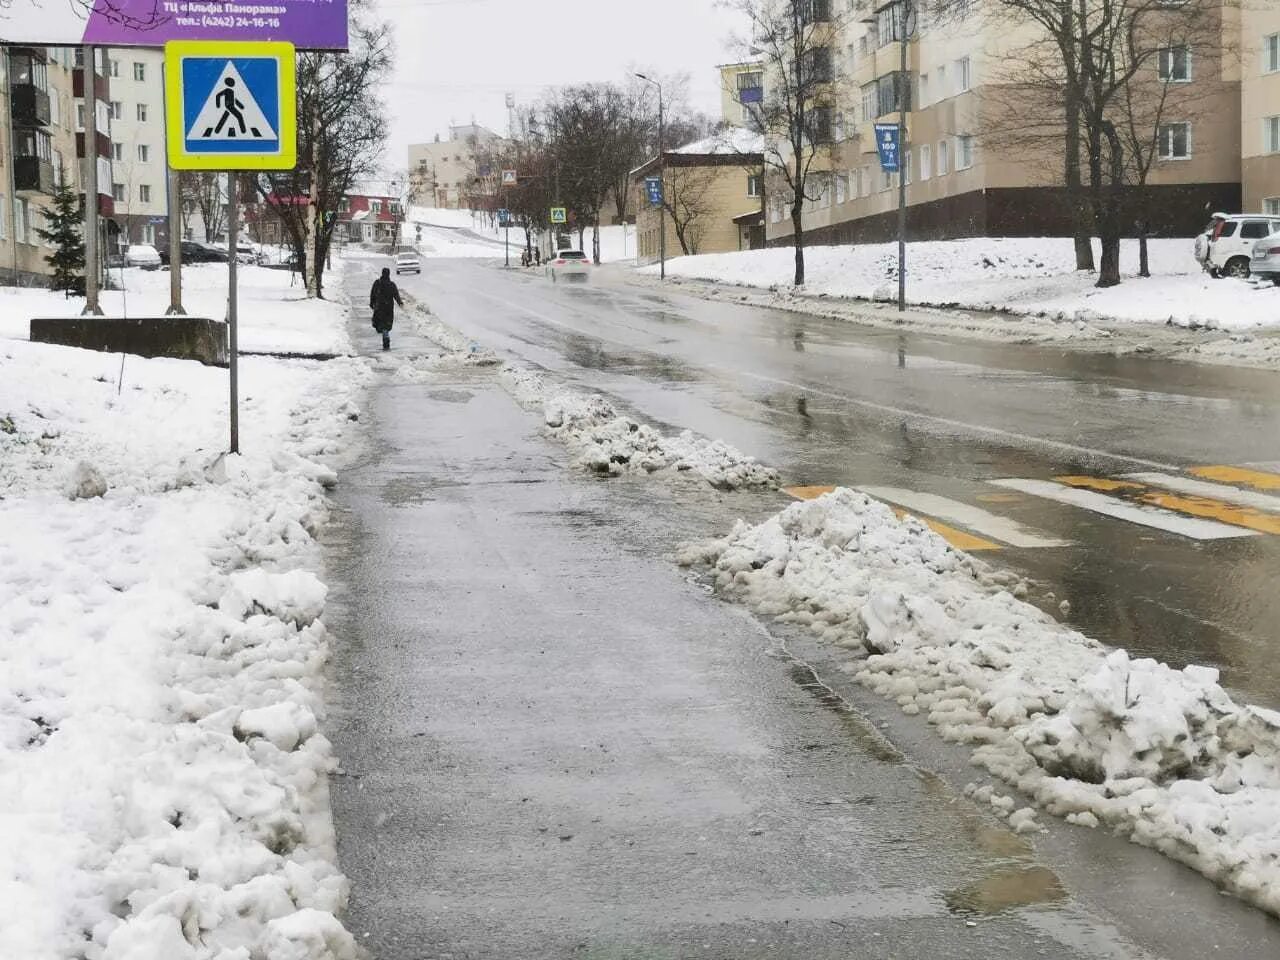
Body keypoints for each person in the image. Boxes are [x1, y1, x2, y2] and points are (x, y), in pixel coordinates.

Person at [369, 267, 404, 351]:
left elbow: (372, 293)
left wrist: (372, 303)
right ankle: (386, 336)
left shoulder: (377, 283)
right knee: (386, 325)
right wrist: (400, 303)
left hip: (379, 308)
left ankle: (385, 337)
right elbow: (396, 295)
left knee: (380, 324)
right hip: (388, 309)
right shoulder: (391, 285)